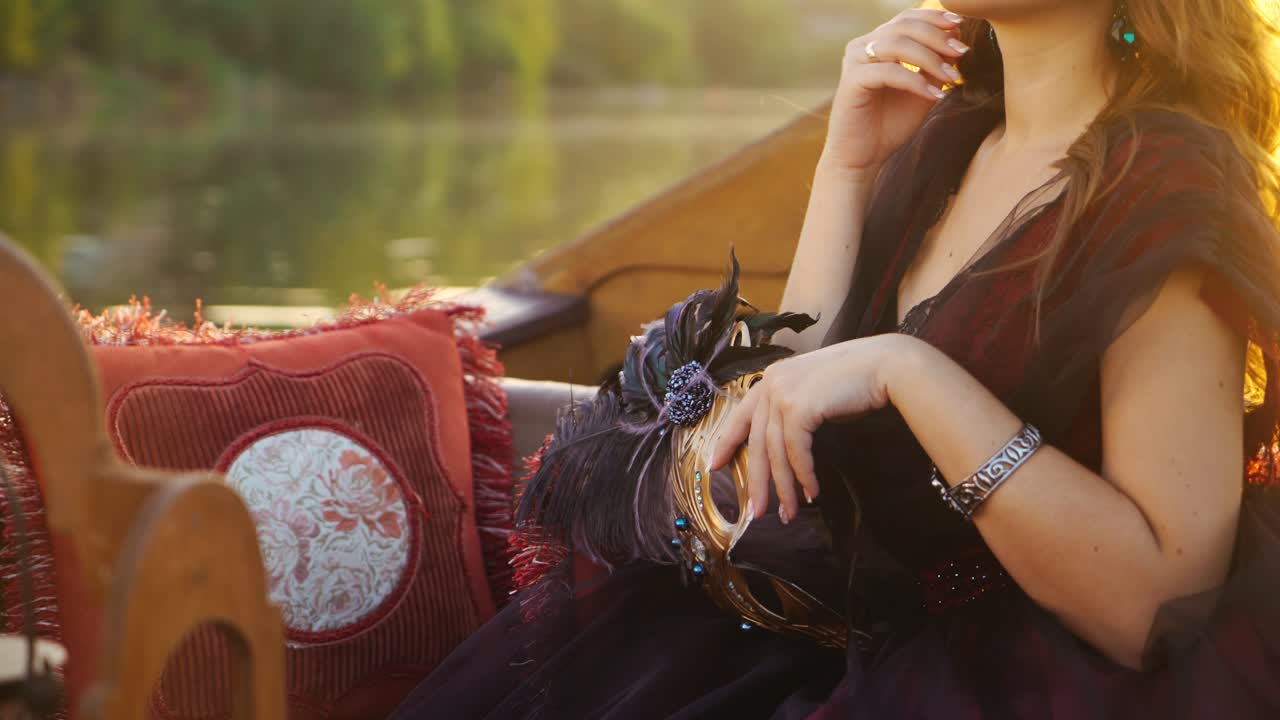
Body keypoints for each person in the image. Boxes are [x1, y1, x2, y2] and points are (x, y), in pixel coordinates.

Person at [391, 1, 1280, 717]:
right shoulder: (952, 141)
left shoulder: (1170, 192)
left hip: (1021, 670)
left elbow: (1155, 609)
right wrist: (848, 165)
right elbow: (796, 401)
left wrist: (913, 373)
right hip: (853, 628)